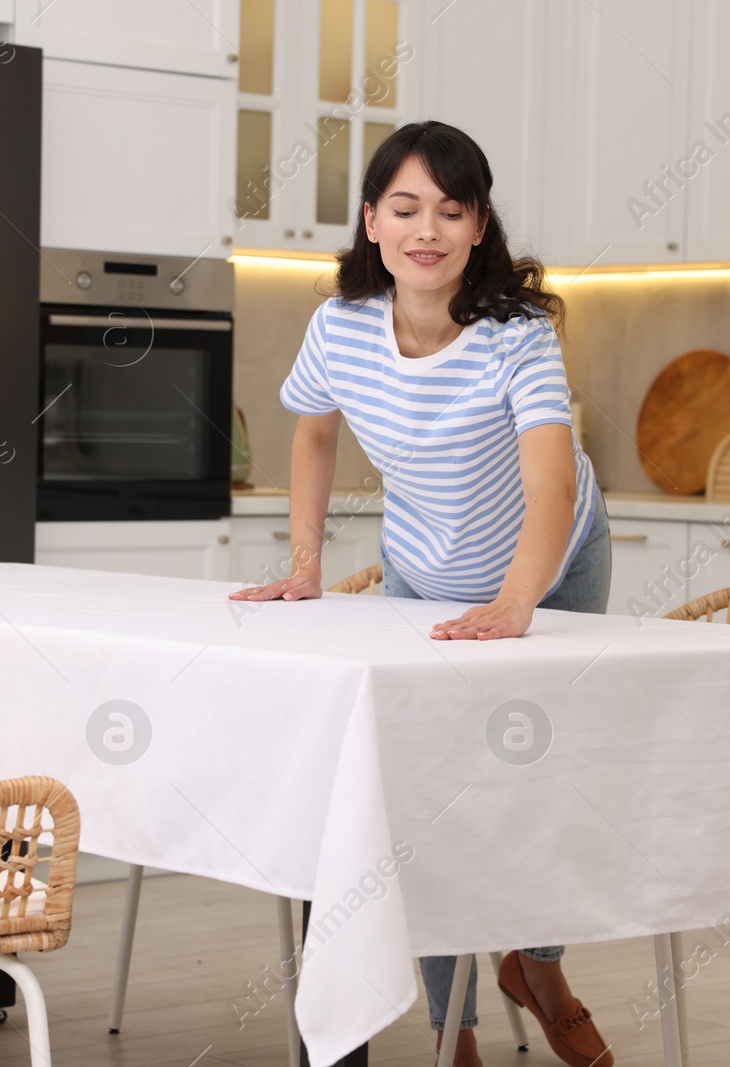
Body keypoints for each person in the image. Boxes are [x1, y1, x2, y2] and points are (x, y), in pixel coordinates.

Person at [229, 121, 613, 1067]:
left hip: (553, 562)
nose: (426, 228)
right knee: (431, 800)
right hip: (422, 577)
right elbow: (314, 433)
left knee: (540, 778)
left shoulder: (518, 335)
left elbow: (551, 491)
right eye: (404, 208)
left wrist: (520, 603)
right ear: (372, 219)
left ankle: (542, 963)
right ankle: (457, 1032)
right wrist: (307, 564)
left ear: (481, 226)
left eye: (451, 209)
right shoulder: (341, 325)